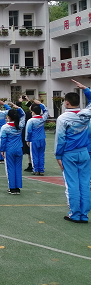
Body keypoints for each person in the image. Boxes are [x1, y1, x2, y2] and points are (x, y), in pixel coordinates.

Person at [55, 80, 91, 223]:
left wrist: (58, 155)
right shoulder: (86, 113)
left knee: (72, 184)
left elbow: (60, 139)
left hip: (69, 154)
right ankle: (84, 214)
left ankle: (75, 214)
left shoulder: (63, 118)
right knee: (85, 183)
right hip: (84, 153)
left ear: (67, 103)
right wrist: (86, 89)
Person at [0, 106, 25, 194]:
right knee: (18, 168)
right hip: (19, 149)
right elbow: (23, 115)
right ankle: (17, 188)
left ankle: (12, 188)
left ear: (9, 117)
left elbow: (2, 139)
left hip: (9, 149)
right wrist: (18, 108)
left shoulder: (5, 127)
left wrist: (1, 150)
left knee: (10, 168)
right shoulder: (20, 125)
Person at [25, 101, 49, 175]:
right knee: (41, 155)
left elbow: (28, 131)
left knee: (34, 155)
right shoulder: (42, 119)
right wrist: (40, 104)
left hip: (34, 140)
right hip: (42, 139)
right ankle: (41, 170)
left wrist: (27, 140)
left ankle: (36, 170)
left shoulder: (31, 121)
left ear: (33, 112)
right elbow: (46, 111)